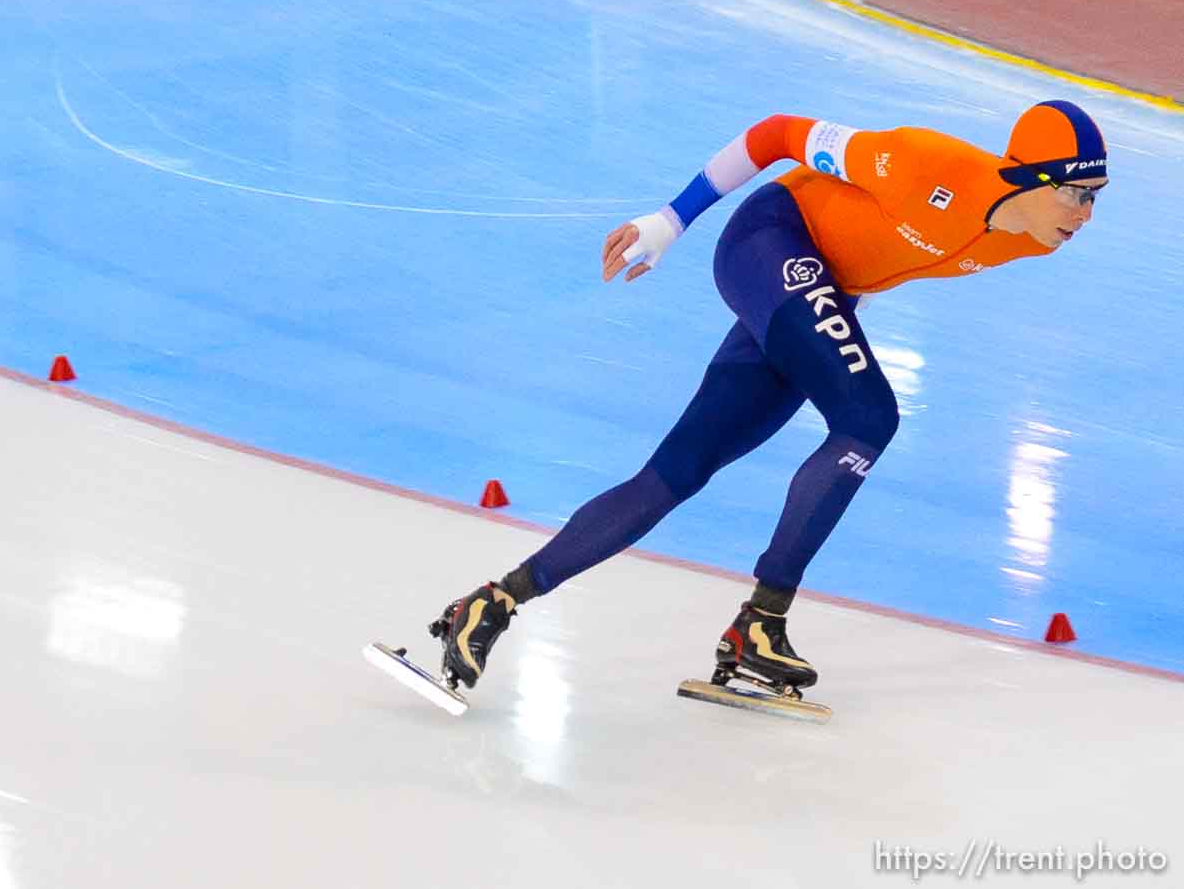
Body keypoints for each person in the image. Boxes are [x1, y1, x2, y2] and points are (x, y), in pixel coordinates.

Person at [430, 100, 1108, 699]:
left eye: (1096, 198)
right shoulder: (922, 161)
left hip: (817, 293)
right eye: (1077, 195)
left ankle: (492, 602)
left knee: (677, 471)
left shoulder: (1031, 243)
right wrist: (671, 218)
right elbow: (776, 133)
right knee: (868, 417)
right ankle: (764, 616)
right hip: (770, 240)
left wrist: (830, 324)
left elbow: (891, 255)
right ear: (1030, 178)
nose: (1085, 216)